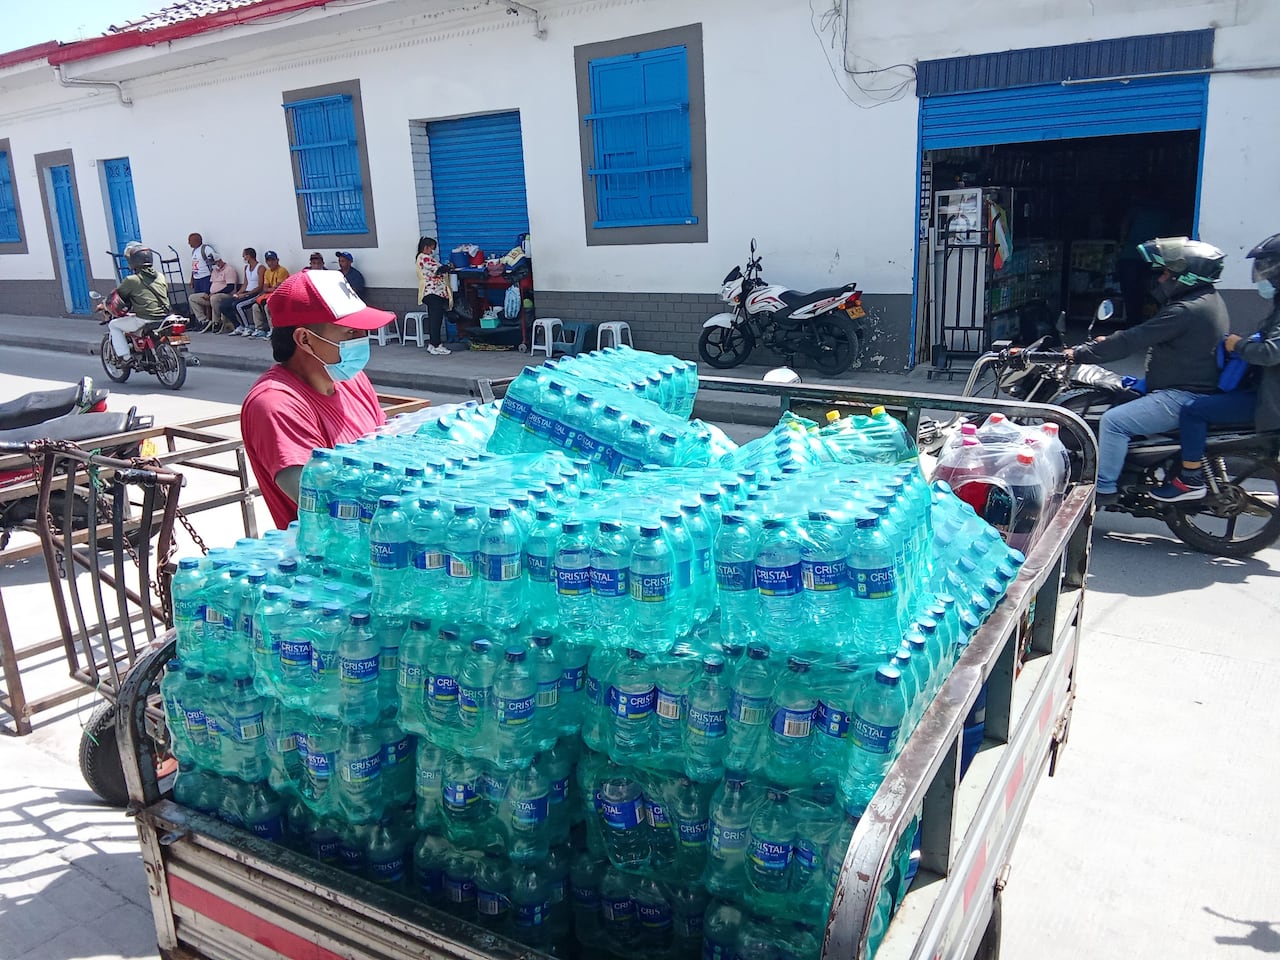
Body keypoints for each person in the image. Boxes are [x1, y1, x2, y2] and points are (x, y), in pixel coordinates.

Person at [1066, 236, 1229, 505]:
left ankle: (1102, 488)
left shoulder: (1185, 310)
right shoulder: (1208, 300)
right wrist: (1112, 340)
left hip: (1180, 395)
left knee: (1114, 422)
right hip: (1187, 386)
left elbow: (1134, 340)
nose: (1162, 279)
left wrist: (1079, 354)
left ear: (1186, 276)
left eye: (1167, 273)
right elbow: (1144, 334)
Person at [240, 270, 391, 528]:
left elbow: (389, 451)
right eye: (350, 334)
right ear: (305, 339)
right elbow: (325, 507)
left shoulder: (351, 379)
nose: (362, 341)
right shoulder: (275, 405)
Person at [1151, 233, 1280, 501]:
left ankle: (1190, 478)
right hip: (1263, 392)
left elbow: (1270, 353)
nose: (1262, 274)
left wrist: (1238, 345)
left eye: (1268, 266)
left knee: (1193, 411)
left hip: (1268, 402)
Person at [103, 242, 170, 360]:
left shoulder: (131, 280)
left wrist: (103, 305)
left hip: (145, 318)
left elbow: (116, 297)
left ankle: (126, 357)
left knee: (114, 325)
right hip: (164, 316)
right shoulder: (160, 276)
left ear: (133, 261)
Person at [415, 236, 452, 356]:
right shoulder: (424, 258)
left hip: (433, 292)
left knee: (434, 319)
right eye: (432, 248)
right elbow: (438, 270)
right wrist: (450, 266)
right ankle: (436, 345)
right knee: (436, 320)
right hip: (433, 292)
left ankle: (433, 344)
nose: (432, 251)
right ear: (426, 247)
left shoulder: (423, 258)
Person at [230, 247, 266, 337]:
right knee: (226, 304)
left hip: (254, 293)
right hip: (246, 292)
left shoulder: (260, 267)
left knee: (238, 305)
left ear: (249, 256)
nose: (243, 258)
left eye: (244, 256)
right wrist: (238, 293)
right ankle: (239, 326)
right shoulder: (246, 267)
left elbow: (260, 286)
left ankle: (248, 327)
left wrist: (245, 294)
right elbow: (245, 284)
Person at [253, 250, 290, 334]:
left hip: (282, 296)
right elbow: (265, 288)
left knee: (268, 306)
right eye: (268, 261)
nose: (271, 263)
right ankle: (259, 329)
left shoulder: (282, 270)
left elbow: (278, 288)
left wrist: (270, 288)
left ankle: (272, 330)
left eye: (273, 260)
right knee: (255, 306)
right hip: (270, 296)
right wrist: (271, 288)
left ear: (277, 260)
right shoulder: (267, 272)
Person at [187, 232, 217, 330]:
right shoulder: (194, 251)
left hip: (206, 278)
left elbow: (213, 264)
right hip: (197, 279)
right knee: (198, 300)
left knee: (206, 299)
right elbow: (194, 266)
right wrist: (192, 279)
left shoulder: (206, 249)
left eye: (190, 241)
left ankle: (210, 320)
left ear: (196, 240)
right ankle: (203, 321)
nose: (188, 243)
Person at [207, 253, 240, 334]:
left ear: (219, 261)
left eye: (215, 263)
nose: (215, 265)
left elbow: (230, 287)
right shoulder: (214, 271)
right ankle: (203, 321)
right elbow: (212, 283)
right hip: (213, 294)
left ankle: (217, 322)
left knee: (214, 299)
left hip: (226, 295)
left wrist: (215, 293)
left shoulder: (229, 270)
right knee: (194, 298)